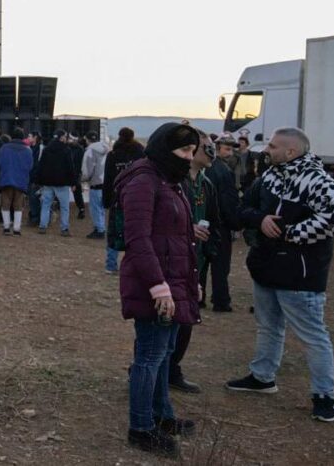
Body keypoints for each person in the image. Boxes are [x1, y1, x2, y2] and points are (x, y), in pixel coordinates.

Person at [226, 127, 334, 422]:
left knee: (314, 336)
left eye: (273, 147)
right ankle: (262, 377)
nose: (267, 150)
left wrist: (291, 234)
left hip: (300, 276)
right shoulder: (269, 177)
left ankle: (324, 397)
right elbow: (244, 208)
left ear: (291, 152)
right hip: (266, 268)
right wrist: (261, 219)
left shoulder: (319, 181)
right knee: (268, 327)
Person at [115, 122, 201, 458]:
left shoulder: (170, 180)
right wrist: (158, 285)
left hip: (173, 280)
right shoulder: (143, 181)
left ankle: (162, 416)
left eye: (192, 152)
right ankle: (141, 427)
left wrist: (187, 280)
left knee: (164, 354)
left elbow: (178, 236)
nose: (189, 158)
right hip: (155, 284)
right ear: (166, 150)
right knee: (149, 357)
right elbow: (138, 239)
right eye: (183, 151)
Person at [169, 132, 220, 394]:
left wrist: (211, 250)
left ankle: (172, 368)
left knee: (187, 318)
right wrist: (188, 229)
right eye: (208, 148)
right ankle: (149, 369)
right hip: (172, 260)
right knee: (163, 319)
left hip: (195, 260)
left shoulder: (205, 183)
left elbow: (214, 219)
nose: (213, 152)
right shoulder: (171, 182)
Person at [203, 136, 241, 312]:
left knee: (201, 262)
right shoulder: (224, 171)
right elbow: (228, 201)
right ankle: (221, 300)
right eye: (227, 148)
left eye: (231, 149)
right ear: (217, 147)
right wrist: (234, 222)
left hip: (203, 223)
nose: (230, 152)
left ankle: (199, 297)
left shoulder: (205, 168)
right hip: (220, 225)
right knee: (220, 266)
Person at [104, 127, 145, 274]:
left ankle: (111, 264)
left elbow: (108, 179)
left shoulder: (113, 154)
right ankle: (134, 265)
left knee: (114, 232)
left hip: (117, 198)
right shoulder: (141, 154)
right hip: (138, 198)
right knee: (136, 231)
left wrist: (106, 200)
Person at [35, 130, 78, 236]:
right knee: (64, 207)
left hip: (48, 182)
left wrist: (38, 180)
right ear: (61, 137)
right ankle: (64, 228)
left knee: (46, 205)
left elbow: (41, 166)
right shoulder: (66, 150)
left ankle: (42, 226)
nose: (66, 138)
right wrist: (73, 182)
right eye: (65, 137)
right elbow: (70, 167)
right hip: (62, 183)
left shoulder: (46, 149)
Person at [0, 127, 34, 236]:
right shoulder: (27, 150)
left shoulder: (4, 148)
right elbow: (30, 166)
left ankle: (6, 227)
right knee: (18, 205)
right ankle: (17, 229)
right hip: (21, 181)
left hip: (6, 179)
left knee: (5, 204)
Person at [82, 131, 110, 239]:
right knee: (102, 208)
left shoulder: (90, 151)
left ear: (87, 139)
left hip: (95, 183)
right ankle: (101, 227)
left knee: (95, 208)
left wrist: (83, 179)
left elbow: (87, 170)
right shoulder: (107, 150)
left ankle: (99, 229)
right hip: (105, 183)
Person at [68, 134, 87, 220]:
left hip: (75, 173)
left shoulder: (80, 150)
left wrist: (76, 178)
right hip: (66, 173)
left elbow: (79, 165)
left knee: (77, 192)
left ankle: (81, 209)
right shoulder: (67, 148)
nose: (71, 140)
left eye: (73, 139)